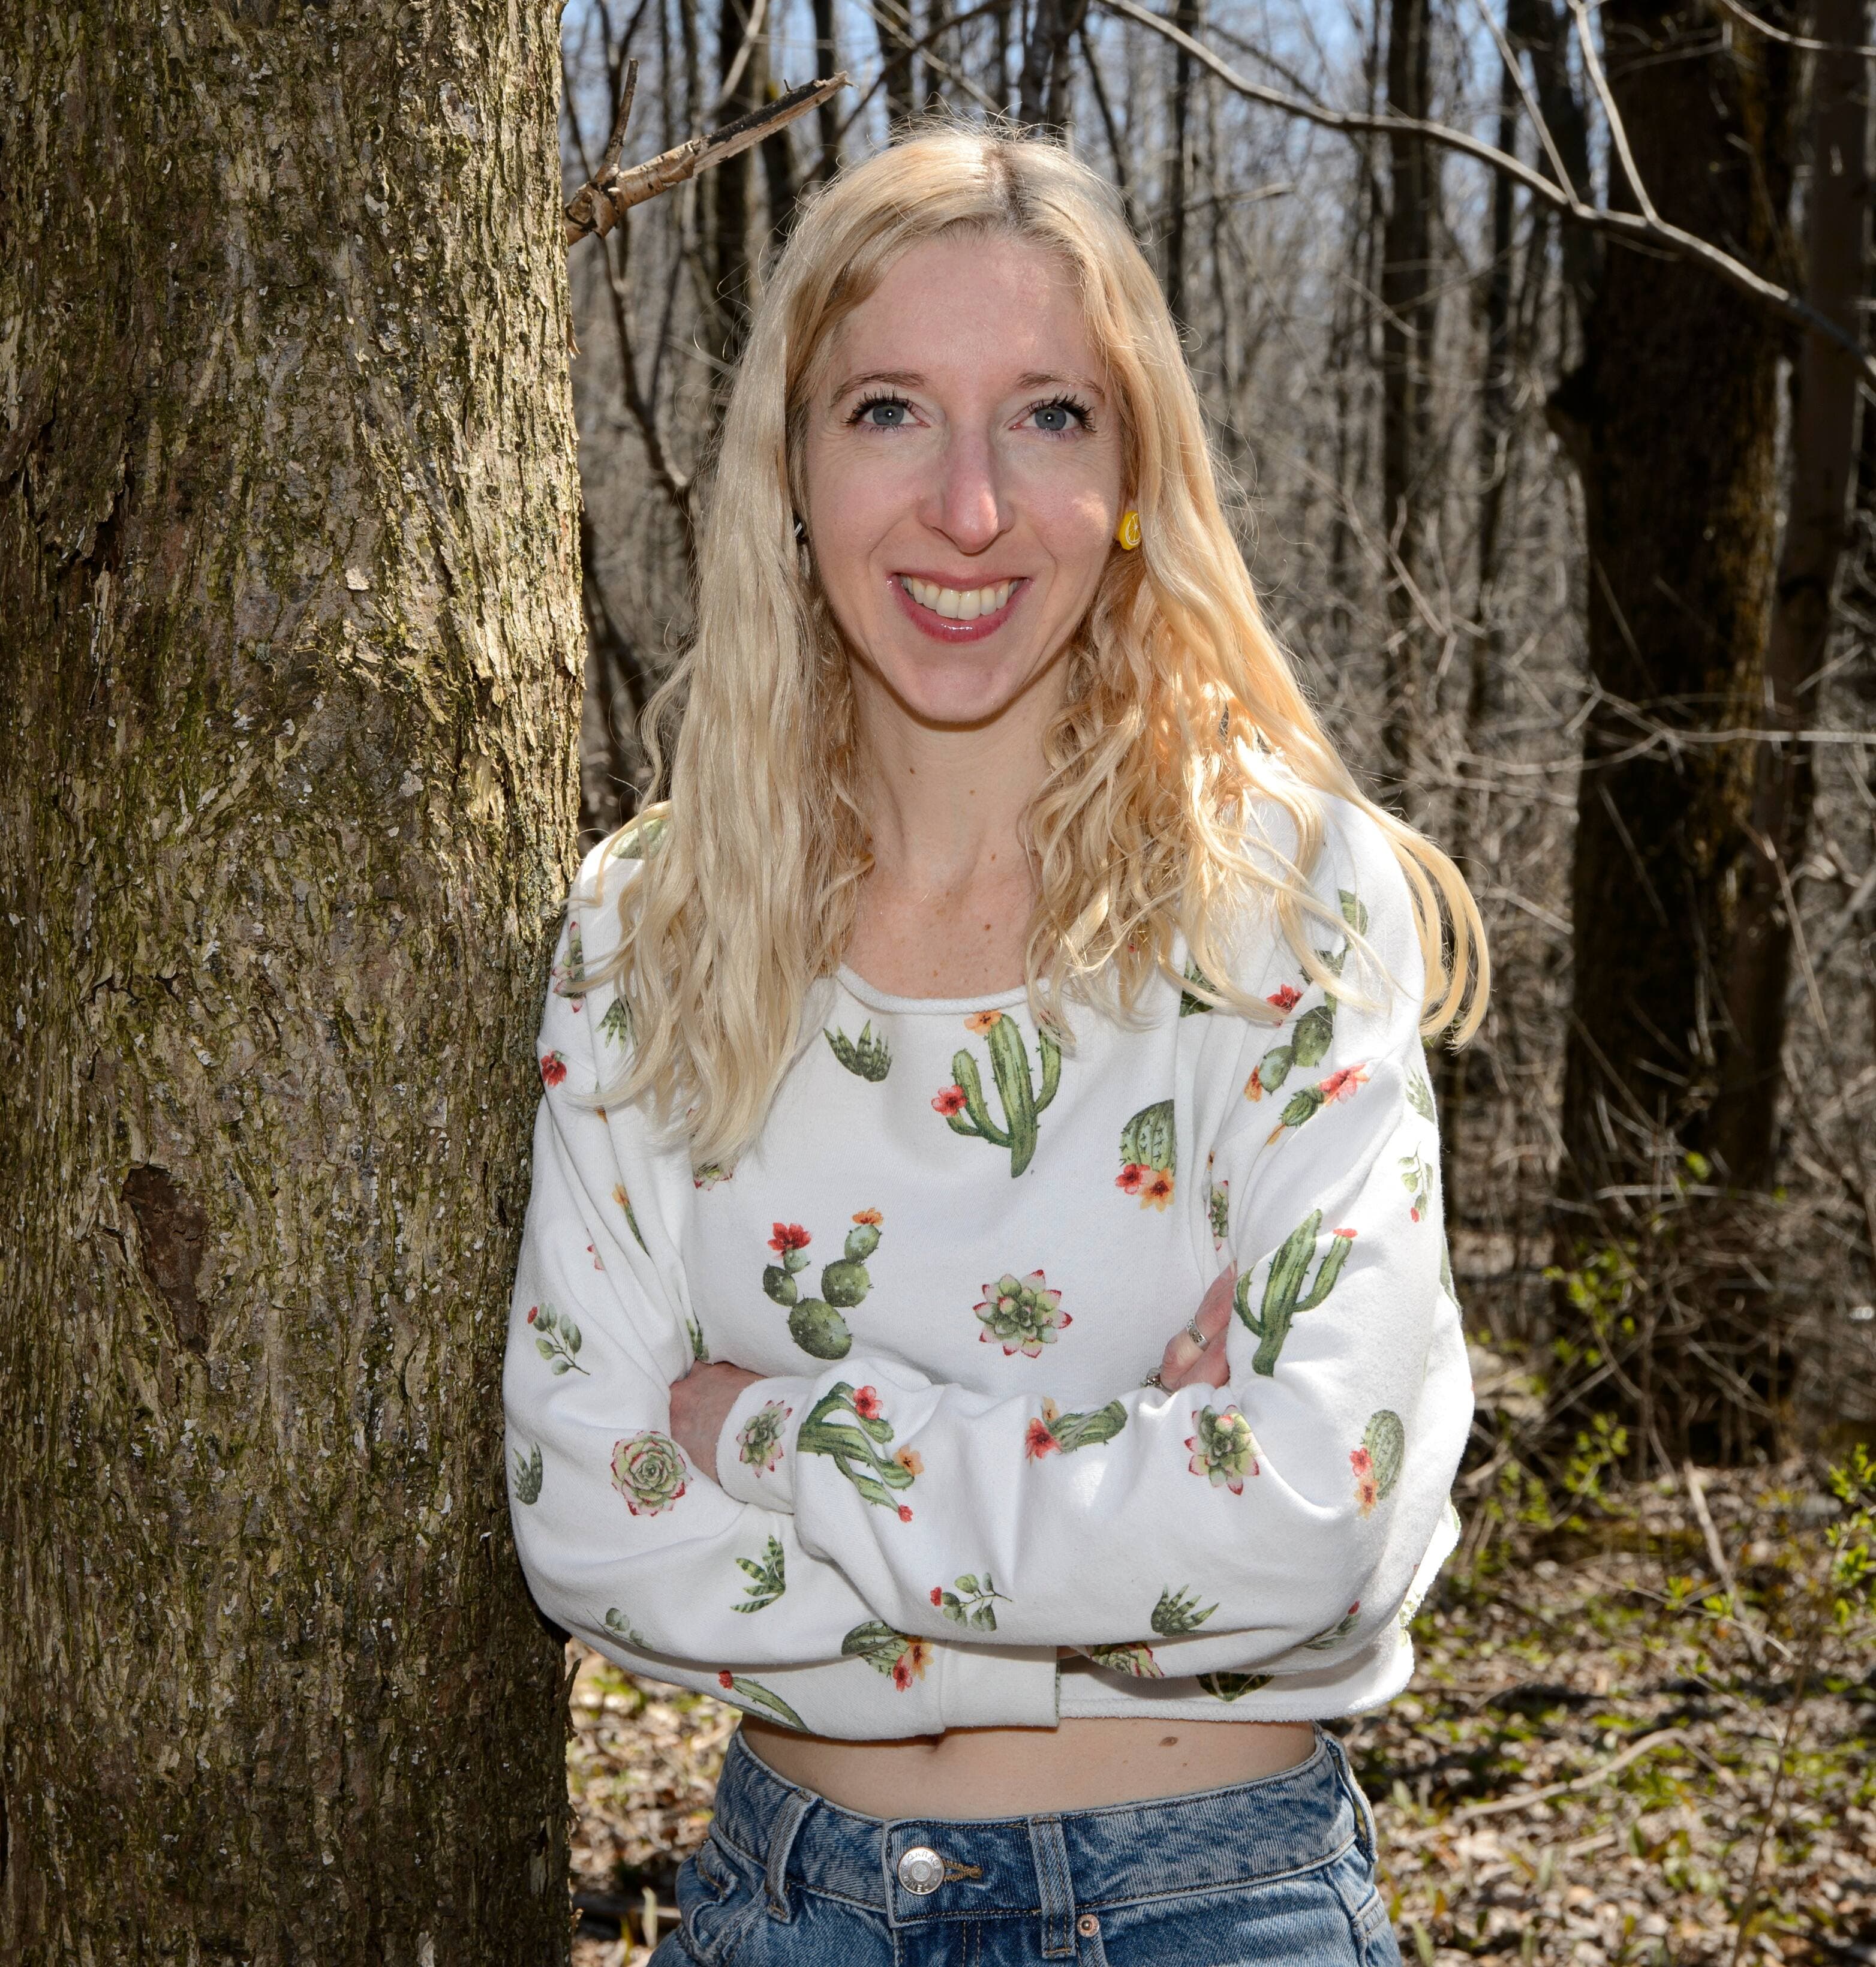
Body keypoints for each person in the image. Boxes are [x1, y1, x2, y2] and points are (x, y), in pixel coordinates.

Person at [505, 125, 1486, 1967]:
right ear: (790, 465)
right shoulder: (655, 924)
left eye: (1046, 415)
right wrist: (1132, 1504)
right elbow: (595, 1535)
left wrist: (785, 1429)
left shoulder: (1284, 900)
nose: (969, 507)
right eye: (888, 410)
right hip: (800, 1913)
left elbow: (1315, 1525)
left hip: (1225, 1908)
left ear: (1132, 474)